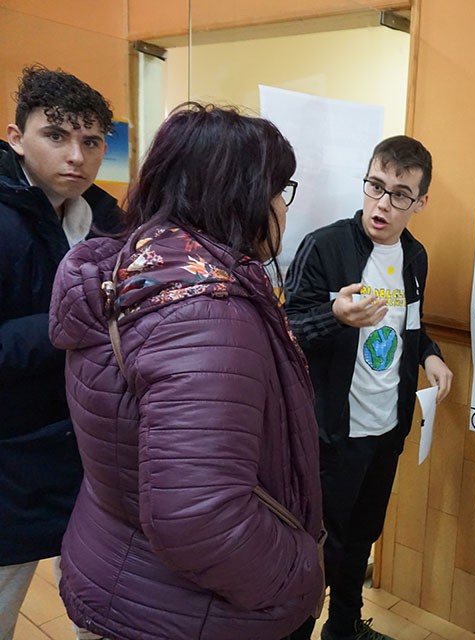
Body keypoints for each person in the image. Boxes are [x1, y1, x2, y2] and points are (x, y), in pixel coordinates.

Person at [48, 104, 325, 640]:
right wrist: (299, 572)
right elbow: (201, 518)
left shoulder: (137, 269)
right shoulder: (205, 313)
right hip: (189, 610)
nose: (283, 210)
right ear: (241, 198)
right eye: (278, 191)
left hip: (125, 574)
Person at [284, 135, 453, 640]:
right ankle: (295, 630)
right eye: (376, 187)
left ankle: (344, 628)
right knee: (315, 542)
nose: (383, 203)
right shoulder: (325, 245)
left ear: (420, 202)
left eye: (401, 194)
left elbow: (413, 326)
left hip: (387, 426)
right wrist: (335, 315)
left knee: (361, 536)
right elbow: (287, 329)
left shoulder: (415, 257)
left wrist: (432, 358)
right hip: (332, 429)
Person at [0, 65, 122, 640]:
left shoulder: (110, 221)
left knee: (98, 606)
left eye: (92, 141)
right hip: (11, 454)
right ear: (15, 136)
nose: (77, 154)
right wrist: (67, 322)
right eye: (57, 136)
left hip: (88, 447)